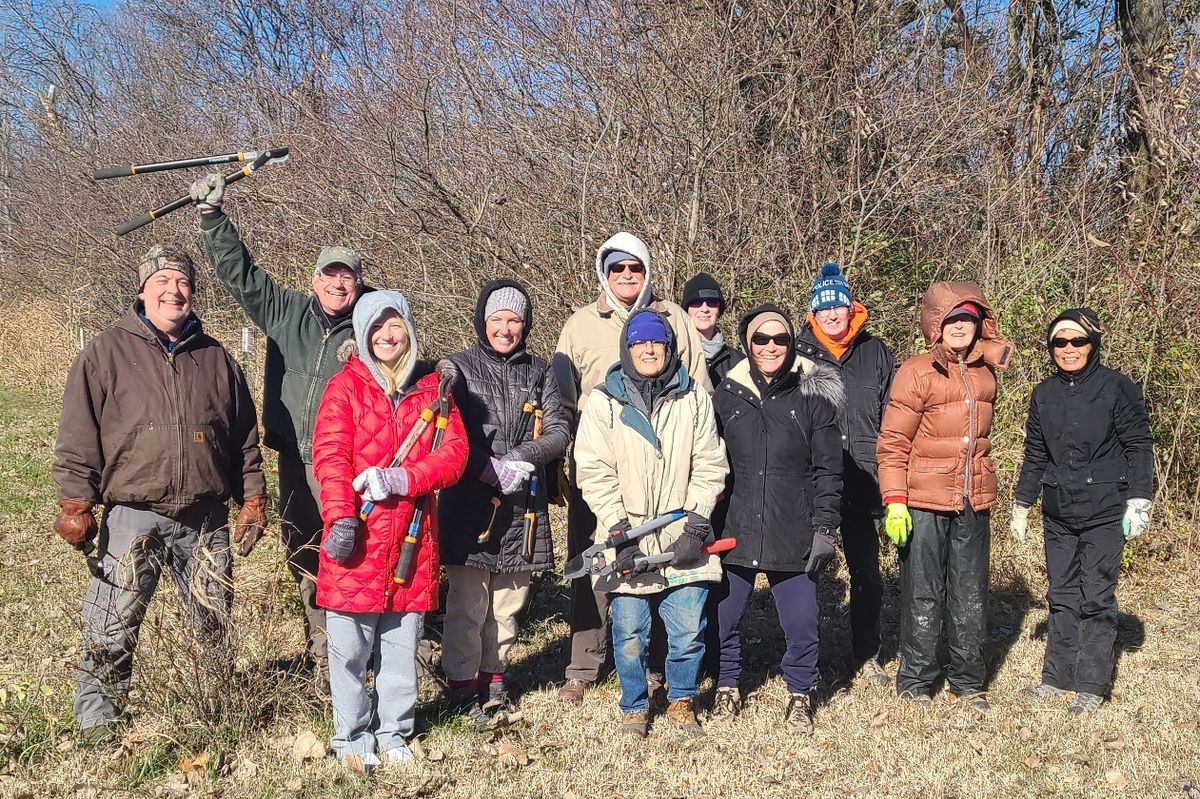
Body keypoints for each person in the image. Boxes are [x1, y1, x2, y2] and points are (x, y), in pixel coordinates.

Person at [52, 244, 267, 741]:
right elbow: (78, 434)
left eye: (183, 282)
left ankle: (215, 710)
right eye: (163, 281)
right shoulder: (106, 352)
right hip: (132, 512)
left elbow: (244, 438)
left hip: (206, 517)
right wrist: (75, 502)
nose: (174, 290)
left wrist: (252, 498)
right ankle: (98, 721)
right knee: (111, 621)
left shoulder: (216, 357)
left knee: (212, 620)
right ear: (143, 291)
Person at [192, 173, 375, 677]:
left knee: (348, 550)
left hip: (344, 462)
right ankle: (322, 649)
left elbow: (406, 363)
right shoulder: (287, 310)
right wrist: (213, 218)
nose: (339, 284)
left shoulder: (371, 324)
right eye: (331, 275)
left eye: (349, 278)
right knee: (301, 549)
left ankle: (356, 654)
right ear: (315, 279)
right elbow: (242, 275)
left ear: (359, 284)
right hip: (294, 456)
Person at [311, 290, 468, 772]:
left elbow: (454, 454)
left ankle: (395, 731)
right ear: (361, 332)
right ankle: (352, 737)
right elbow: (330, 457)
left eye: (395, 324)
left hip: (412, 544)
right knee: (350, 651)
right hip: (357, 540)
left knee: (401, 650)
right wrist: (339, 516)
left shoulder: (433, 390)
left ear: (410, 329)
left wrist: (403, 477)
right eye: (376, 326)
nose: (386, 335)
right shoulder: (344, 388)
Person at [555, 233, 711, 703]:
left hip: (667, 465)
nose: (627, 276)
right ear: (604, 271)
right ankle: (584, 664)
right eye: (618, 268)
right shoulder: (581, 324)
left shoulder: (675, 319)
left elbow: (697, 385)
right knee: (596, 560)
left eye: (635, 268)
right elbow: (561, 396)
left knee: (666, 560)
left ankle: (658, 664)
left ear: (646, 272)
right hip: (601, 464)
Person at [573, 309, 728, 737]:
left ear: (669, 348)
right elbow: (592, 469)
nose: (648, 349)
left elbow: (711, 462)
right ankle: (634, 706)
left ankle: (681, 700)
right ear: (627, 348)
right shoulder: (605, 399)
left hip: (683, 533)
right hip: (626, 537)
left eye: (656, 343)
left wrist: (697, 522)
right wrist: (619, 529)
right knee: (628, 631)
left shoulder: (692, 395)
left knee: (687, 630)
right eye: (640, 343)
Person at [437, 279, 569, 726]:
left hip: (521, 507)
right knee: (467, 606)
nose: (506, 328)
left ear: (525, 324)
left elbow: (558, 431)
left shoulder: (542, 371)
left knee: (508, 606)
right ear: (483, 321)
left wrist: (519, 458)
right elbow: (444, 429)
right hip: (466, 502)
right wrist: (484, 466)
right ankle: (461, 688)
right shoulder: (457, 367)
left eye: (514, 320)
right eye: (498, 319)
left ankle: (495, 682)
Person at [876, 282, 1014, 710]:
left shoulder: (985, 372)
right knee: (923, 591)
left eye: (967, 320)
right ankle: (916, 680)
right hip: (924, 500)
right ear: (936, 325)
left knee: (970, 592)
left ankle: (968, 681)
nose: (960, 327)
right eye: (952, 319)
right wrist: (895, 500)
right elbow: (893, 442)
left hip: (974, 498)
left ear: (978, 325)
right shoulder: (916, 372)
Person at [1010, 308, 1153, 716]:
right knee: (1061, 593)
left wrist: (1140, 500)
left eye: (1077, 341)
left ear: (1092, 344)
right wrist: (1022, 504)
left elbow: (1139, 445)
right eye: (1060, 342)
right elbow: (1035, 454)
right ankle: (1055, 677)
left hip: (1106, 509)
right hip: (1058, 510)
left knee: (1097, 595)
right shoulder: (1043, 394)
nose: (1068, 349)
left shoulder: (1117, 388)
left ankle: (1091, 684)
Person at [710, 305, 843, 734]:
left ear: (791, 344)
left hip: (794, 527)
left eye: (780, 339)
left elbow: (829, 469)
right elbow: (709, 463)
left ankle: (800, 692)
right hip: (738, 526)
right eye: (761, 339)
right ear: (747, 344)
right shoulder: (726, 395)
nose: (771, 347)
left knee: (802, 622)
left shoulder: (812, 395)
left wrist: (825, 527)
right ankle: (726, 685)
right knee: (723, 616)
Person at [796, 263, 895, 684]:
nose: (833, 315)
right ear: (813, 315)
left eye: (839, 306)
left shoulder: (876, 353)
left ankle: (866, 653)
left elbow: (895, 418)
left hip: (863, 481)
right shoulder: (795, 354)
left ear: (851, 308)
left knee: (866, 573)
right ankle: (804, 659)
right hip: (810, 483)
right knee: (804, 576)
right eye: (824, 309)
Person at [681, 272, 743, 388]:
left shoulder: (739, 362)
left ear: (719, 310)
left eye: (712, 302)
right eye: (697, 302)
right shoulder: (676, 358)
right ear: (687, 310)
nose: (704, 309)